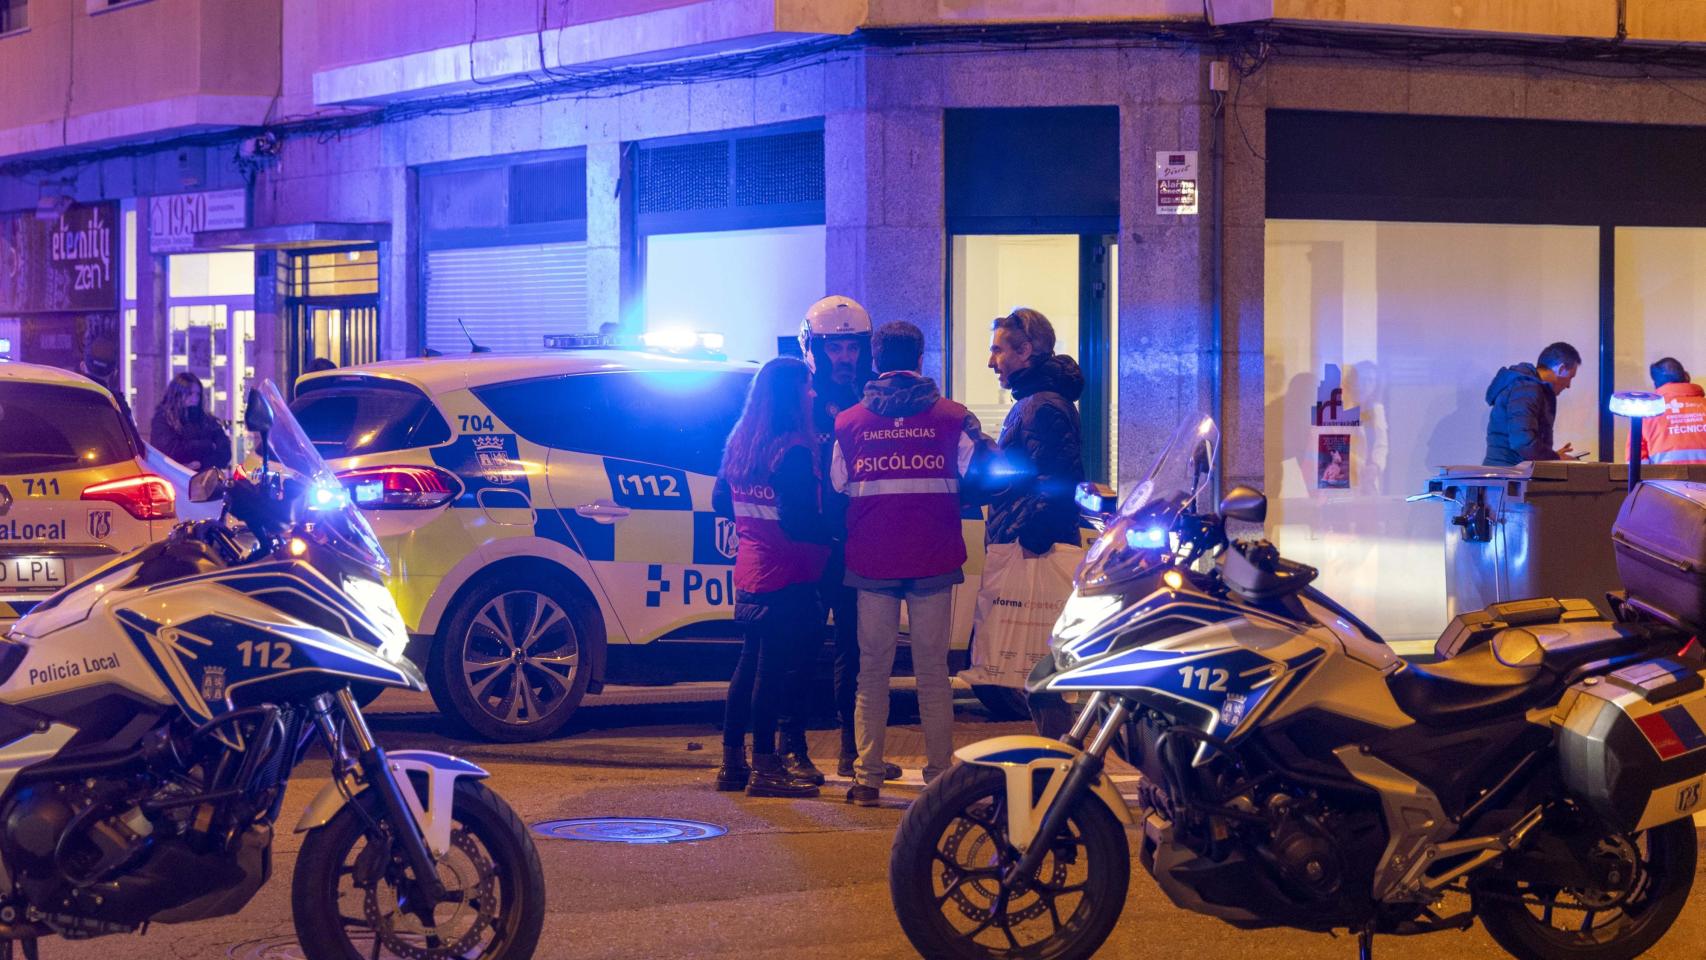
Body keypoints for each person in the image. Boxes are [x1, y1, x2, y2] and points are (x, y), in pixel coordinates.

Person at [832, 320, 983, 807]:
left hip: (872, 561)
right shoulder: (952, 417)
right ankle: (939, 775)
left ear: (875, 360)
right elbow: (976, 476)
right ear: (921, 359)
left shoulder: (849, 422)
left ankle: (867, 777)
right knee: (932, 673)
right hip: (933, 558)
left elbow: (838, 484)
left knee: (871, 671)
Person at [711, 357, 834, 798]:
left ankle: (732, 763)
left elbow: (720, 500)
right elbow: (800, 521)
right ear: (789, 394)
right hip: (789, 573)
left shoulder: (742, 440)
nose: (813, 394)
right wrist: (838, 537)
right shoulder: (793, 450)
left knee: (748, 666)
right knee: (772, 671)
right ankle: (766, 766)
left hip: (751, 566)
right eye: (807, 387)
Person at [789, 295, 900, 785]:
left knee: (856, 652)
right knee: (799, 647)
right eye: (835, 348)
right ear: (813, 347)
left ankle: (852, 751)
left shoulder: (874, 398)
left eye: (852, 347)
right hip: (810, 543)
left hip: (857, 541)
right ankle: (789, 751)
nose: (845, 357)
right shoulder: (798, 397)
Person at [984, 308, 1085, 555]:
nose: (990, 363)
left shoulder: (1041, 405)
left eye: (997, 350)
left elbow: (1060, 484)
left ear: (1025, 351)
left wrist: (1029, 543)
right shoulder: (1035, 401)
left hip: (1033, 554)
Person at [1483, 341, 1581, 467]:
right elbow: (1522, 442)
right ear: (1561, 369)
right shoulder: (1527, 388)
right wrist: (1555, 457)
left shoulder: (1524, 386)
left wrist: (1552, 456)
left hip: (1504, 475)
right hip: (1509, 477)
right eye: (1570, 377)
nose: (1568, 385)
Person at [150, 372, 232, 471]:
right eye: (189, 394)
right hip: (176, 478)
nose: (195, 399)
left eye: (198, 394)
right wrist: (208, 445)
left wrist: (201, 464)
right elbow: (171, 451)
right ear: (177, 394)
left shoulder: (206, 419)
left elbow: (225, 451)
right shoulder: (164, 420)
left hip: (206, 478)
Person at [1642, 357, 1706, 464]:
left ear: (1656, 385)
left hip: (1663, 480)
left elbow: (1634, 463)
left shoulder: (1647, 414)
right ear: (1687, 376)